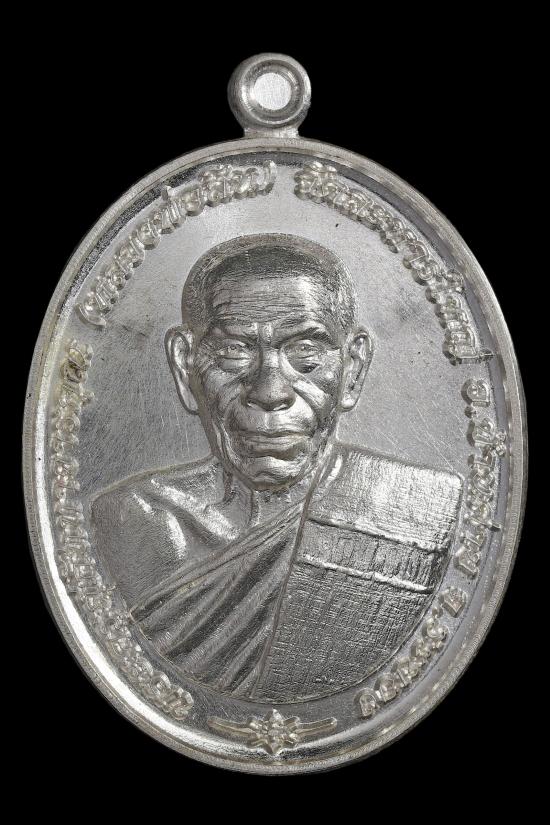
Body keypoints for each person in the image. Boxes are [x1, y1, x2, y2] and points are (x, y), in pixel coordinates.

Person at [91, 234, 462, 703]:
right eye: (233, 352)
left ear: (353, 368)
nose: (269, 392)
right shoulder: (133, 522)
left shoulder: (417, 511)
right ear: (185, 368)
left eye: (306, 354)